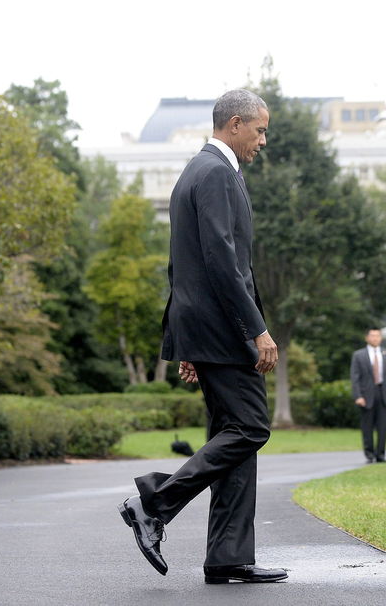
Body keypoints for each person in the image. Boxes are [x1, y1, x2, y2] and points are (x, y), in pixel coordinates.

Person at [118, 89, 287, 585]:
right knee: (250, 428)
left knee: (232, 436)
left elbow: (180, 267)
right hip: (226, 331)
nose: (262, 141)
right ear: (234, 124)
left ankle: (228, 556)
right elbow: (220, 263)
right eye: (259, 130)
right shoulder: (214, 173)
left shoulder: (197, 171)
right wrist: (257, 329)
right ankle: (155, 503)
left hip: (206, 331)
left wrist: (186, 342)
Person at [350, 327, 386, 463]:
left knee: (383, 427)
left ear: (381, 338)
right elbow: (355, 378)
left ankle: (381, 455)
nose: (375, 338)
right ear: (367, 338)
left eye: (378, 336)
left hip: (383, 394)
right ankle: (369, 454)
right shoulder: (359, 355)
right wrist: (358, 396)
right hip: (367, 396)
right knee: (367, 427)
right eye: (372, 336)